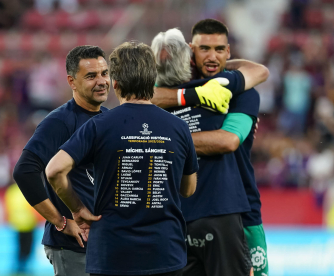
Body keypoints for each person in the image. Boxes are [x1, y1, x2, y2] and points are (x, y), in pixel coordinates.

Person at [45, 41, 199, 276]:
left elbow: (54, 170)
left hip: (112, 254)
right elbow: (188, 189)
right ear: (152, 80)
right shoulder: (178, 127)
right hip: (166, 252)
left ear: (115, 83)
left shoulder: (98, 125)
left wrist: (77, 209)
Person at [151, 21, 269, 276]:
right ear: (191, 51)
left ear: (228, 52)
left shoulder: (237, 89)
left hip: (240, 209)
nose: (212, 56)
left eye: (219, 50)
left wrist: (169, 141)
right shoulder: (175, 89)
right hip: (179, 213)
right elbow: (143, 97)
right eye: (204, 48)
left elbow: (228, 141)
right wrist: (190, 97)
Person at [12, 45, 110, 276]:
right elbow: (24, 171)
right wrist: (61, 222)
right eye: (91, 76)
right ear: (71, 82)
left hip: (106, 244)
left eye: (104, 73)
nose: (101, 81)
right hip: (73, 248)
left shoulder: (109, 118)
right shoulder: (60, 121)